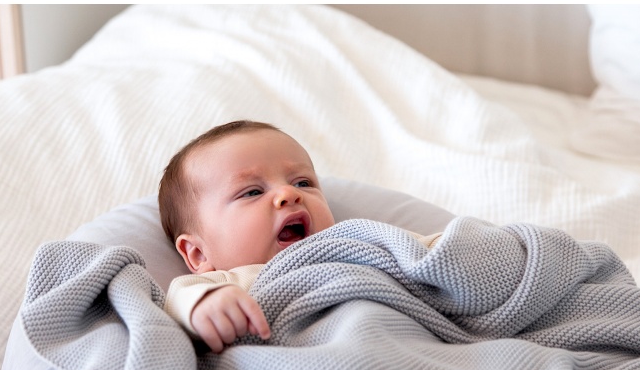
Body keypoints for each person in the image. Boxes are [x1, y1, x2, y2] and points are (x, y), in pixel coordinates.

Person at [158, 120, 440, 352]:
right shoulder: (227, 284)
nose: (289, 193)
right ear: (199, 254)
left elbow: (430, 253)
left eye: (303, 182)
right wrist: (207, 305)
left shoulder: (357, 241)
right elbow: (178, 302)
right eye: (253, 192)